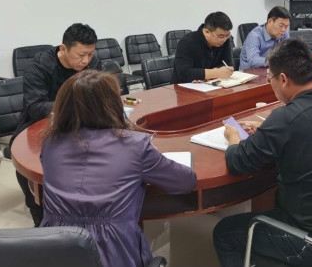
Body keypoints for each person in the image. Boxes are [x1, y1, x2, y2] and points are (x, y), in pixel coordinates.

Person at [213, 39, 312, 267]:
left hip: (309, 240)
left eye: (269, 78)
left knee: (225, 233)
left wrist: (233, 137)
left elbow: (238, 161)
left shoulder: (285, 119)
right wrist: (267, 129)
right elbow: (311, 129)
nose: (270, 84)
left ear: (283, 79)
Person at [40, 70, 197, 267]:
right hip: (113, 252)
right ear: (112, 105)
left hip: (54, 250)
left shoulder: (50, 143)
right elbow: (185, 182)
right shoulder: (135, 145)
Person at [12, 23, 103, 226]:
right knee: (32, 165)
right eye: (81, 55)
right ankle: (39, 216)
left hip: (80, 124)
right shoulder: (39, 67)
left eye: (90, 54)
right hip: (37, 127)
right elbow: (35, 107)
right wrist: (75, 104)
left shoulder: (93, 63)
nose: (86, 61)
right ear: (63, 48)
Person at [173, 11, 234, 83]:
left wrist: (207, 76)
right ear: (207, 32)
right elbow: (184, 73)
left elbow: (228, 64)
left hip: (211, 84)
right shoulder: (187, 42)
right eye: (220, 36)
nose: (224, 39)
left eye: (227, 35)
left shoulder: (225, 40)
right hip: (184, 86)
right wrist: (213, 73)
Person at [239, 6, 290, 70]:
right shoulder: (254, 36)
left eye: (286, 26)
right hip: (249, 73)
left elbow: (288, 53)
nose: (283, 30)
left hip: (271, 71)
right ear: (270, 21)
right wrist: (275, 61)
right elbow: (253, 60)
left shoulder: (284, 33)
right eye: (281, 26)